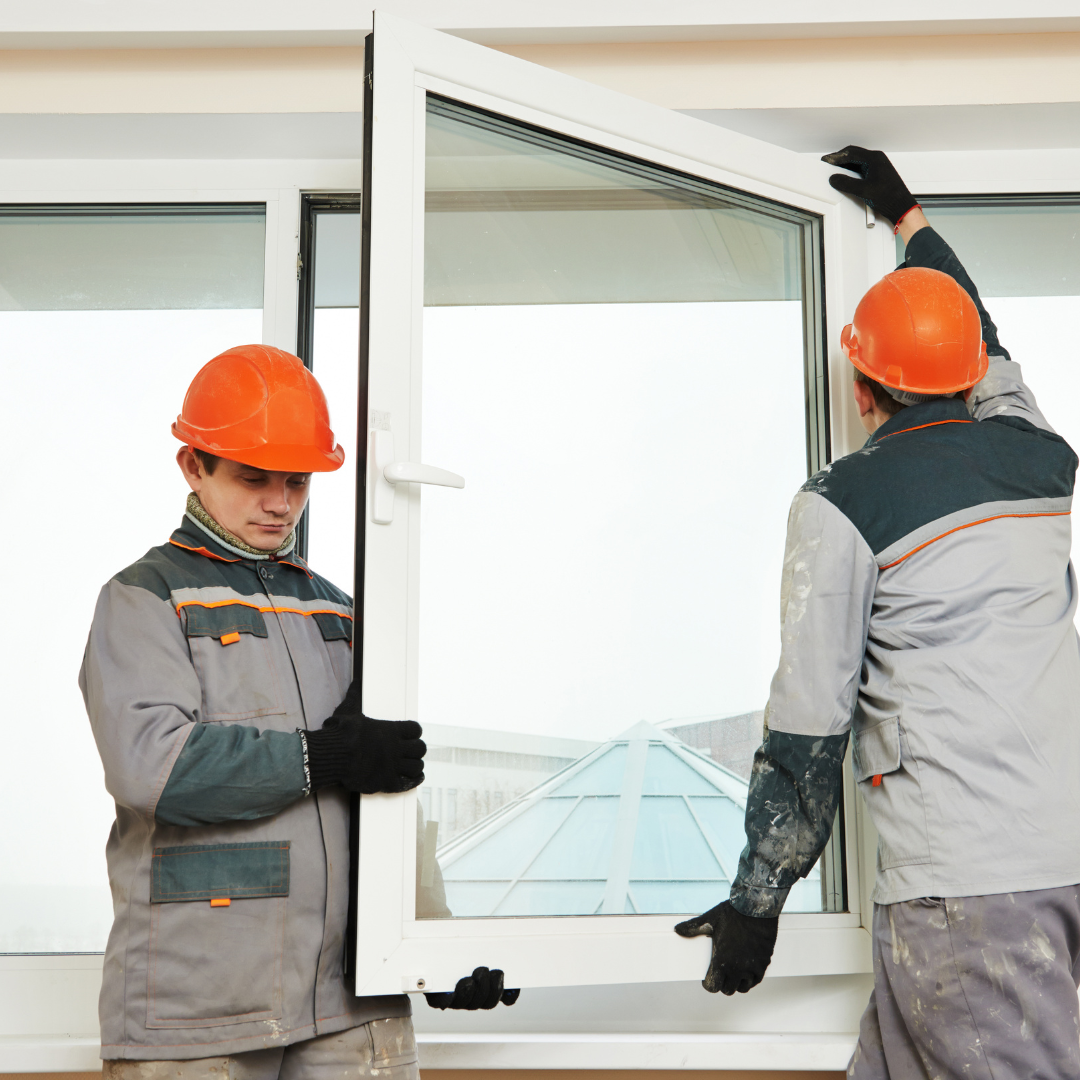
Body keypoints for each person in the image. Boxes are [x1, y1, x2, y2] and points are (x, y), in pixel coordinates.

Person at [675, 149, 1080, 1078]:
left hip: (971, 886)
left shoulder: (846, 500)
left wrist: (757, 897)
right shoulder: (1039, 455)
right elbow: (980, 334)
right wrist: (909, 219)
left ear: (862, 390)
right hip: (1058, 852)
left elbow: (811, 721)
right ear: (971, 376)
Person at [81, 344, 515, 1080]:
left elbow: (385, 794)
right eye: (255, 479)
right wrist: (322, 758)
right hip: (199, 1007)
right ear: (193, 466)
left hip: (351, 1009)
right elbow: (153, 766)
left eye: (296, 482)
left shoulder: (338, 612)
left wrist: (428, 950)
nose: (280, 502)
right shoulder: (145, 599)